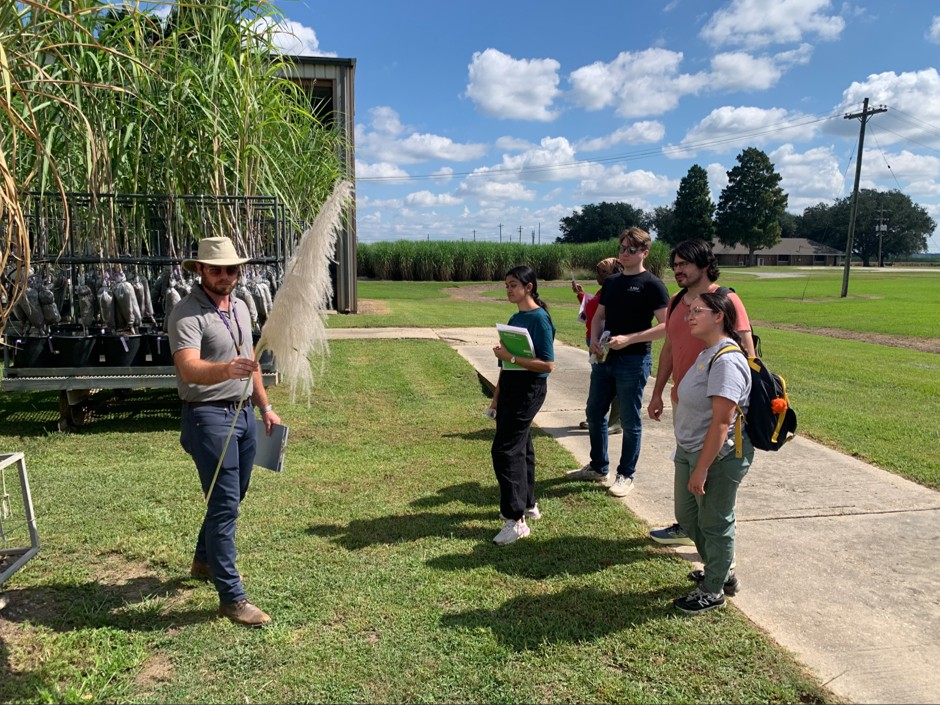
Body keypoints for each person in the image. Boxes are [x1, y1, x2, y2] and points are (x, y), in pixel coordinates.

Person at [167, 237, 282, 627]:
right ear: (200, 270)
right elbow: (188, 369)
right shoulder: (186, 313)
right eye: (216, 269)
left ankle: (204, 560)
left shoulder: (242, 307)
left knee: (233, 495)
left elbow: (251, 363)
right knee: (225, 502)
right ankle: (232, 598)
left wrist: (264, 406)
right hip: (208, 418)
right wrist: (225, 370)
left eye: (231, 269)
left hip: (244, 416)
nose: (225, 276)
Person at [647, 240, 755, 547]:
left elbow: (747, 354)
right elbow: (670, 347)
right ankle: (689, 525)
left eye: (684, 265)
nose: (677, 270)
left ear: (705, 265)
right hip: (684, 402)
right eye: (675, 265)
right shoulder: (677, 301)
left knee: (713, 481)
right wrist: (657, 392)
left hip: (718, 407)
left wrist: (740, 407)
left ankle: (719, 551)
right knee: (689, 475)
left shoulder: (726, 300)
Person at [566, 227, 669, 498]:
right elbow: (599, 316)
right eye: (622, 248)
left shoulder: (652, 285)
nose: (624, 253)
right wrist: (595, 340)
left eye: (631, 249)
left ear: (644, 252)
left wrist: (630, 339)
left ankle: (626, 475)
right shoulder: (612, 283)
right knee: (594, 412)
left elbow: (667, 326)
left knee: (630, 420)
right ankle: (599, 466)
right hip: (605, 359)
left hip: (634, 361)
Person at [671, 289, 753, 614]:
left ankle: (714, 588)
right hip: (690, 448)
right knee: (688, 517)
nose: (689, 316)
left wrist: (702, 468)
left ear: (719, 316)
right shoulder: (707, 352)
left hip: (718, 457)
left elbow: (722, 422)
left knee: (715, 521)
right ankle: (722, 568)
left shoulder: (727, 360)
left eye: (698, 311)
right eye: (689, 311)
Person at [488, 264, 555, 546]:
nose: (509, 290)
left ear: (529, 287)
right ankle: (528, 504)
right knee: (522, 445)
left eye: (514, 284)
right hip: (511, 387)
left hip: (530, 389)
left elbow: (547, 364)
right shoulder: (515, 318)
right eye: (506, 285)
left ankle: (515, 521)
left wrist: (512, 358)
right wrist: (496, 395)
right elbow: (507, 361)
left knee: (504, 450)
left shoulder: (539, 319)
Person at [572, 258, 622, 434]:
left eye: (603, 272)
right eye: (598, 271)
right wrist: (581, 295)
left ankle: (615, 422)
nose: (598, 275)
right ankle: (593, 417)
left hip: (605, 342)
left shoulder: (616, 290)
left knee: (609, 381)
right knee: (600, 379)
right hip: (594, 340)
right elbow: (593, 309)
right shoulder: (605, 290)